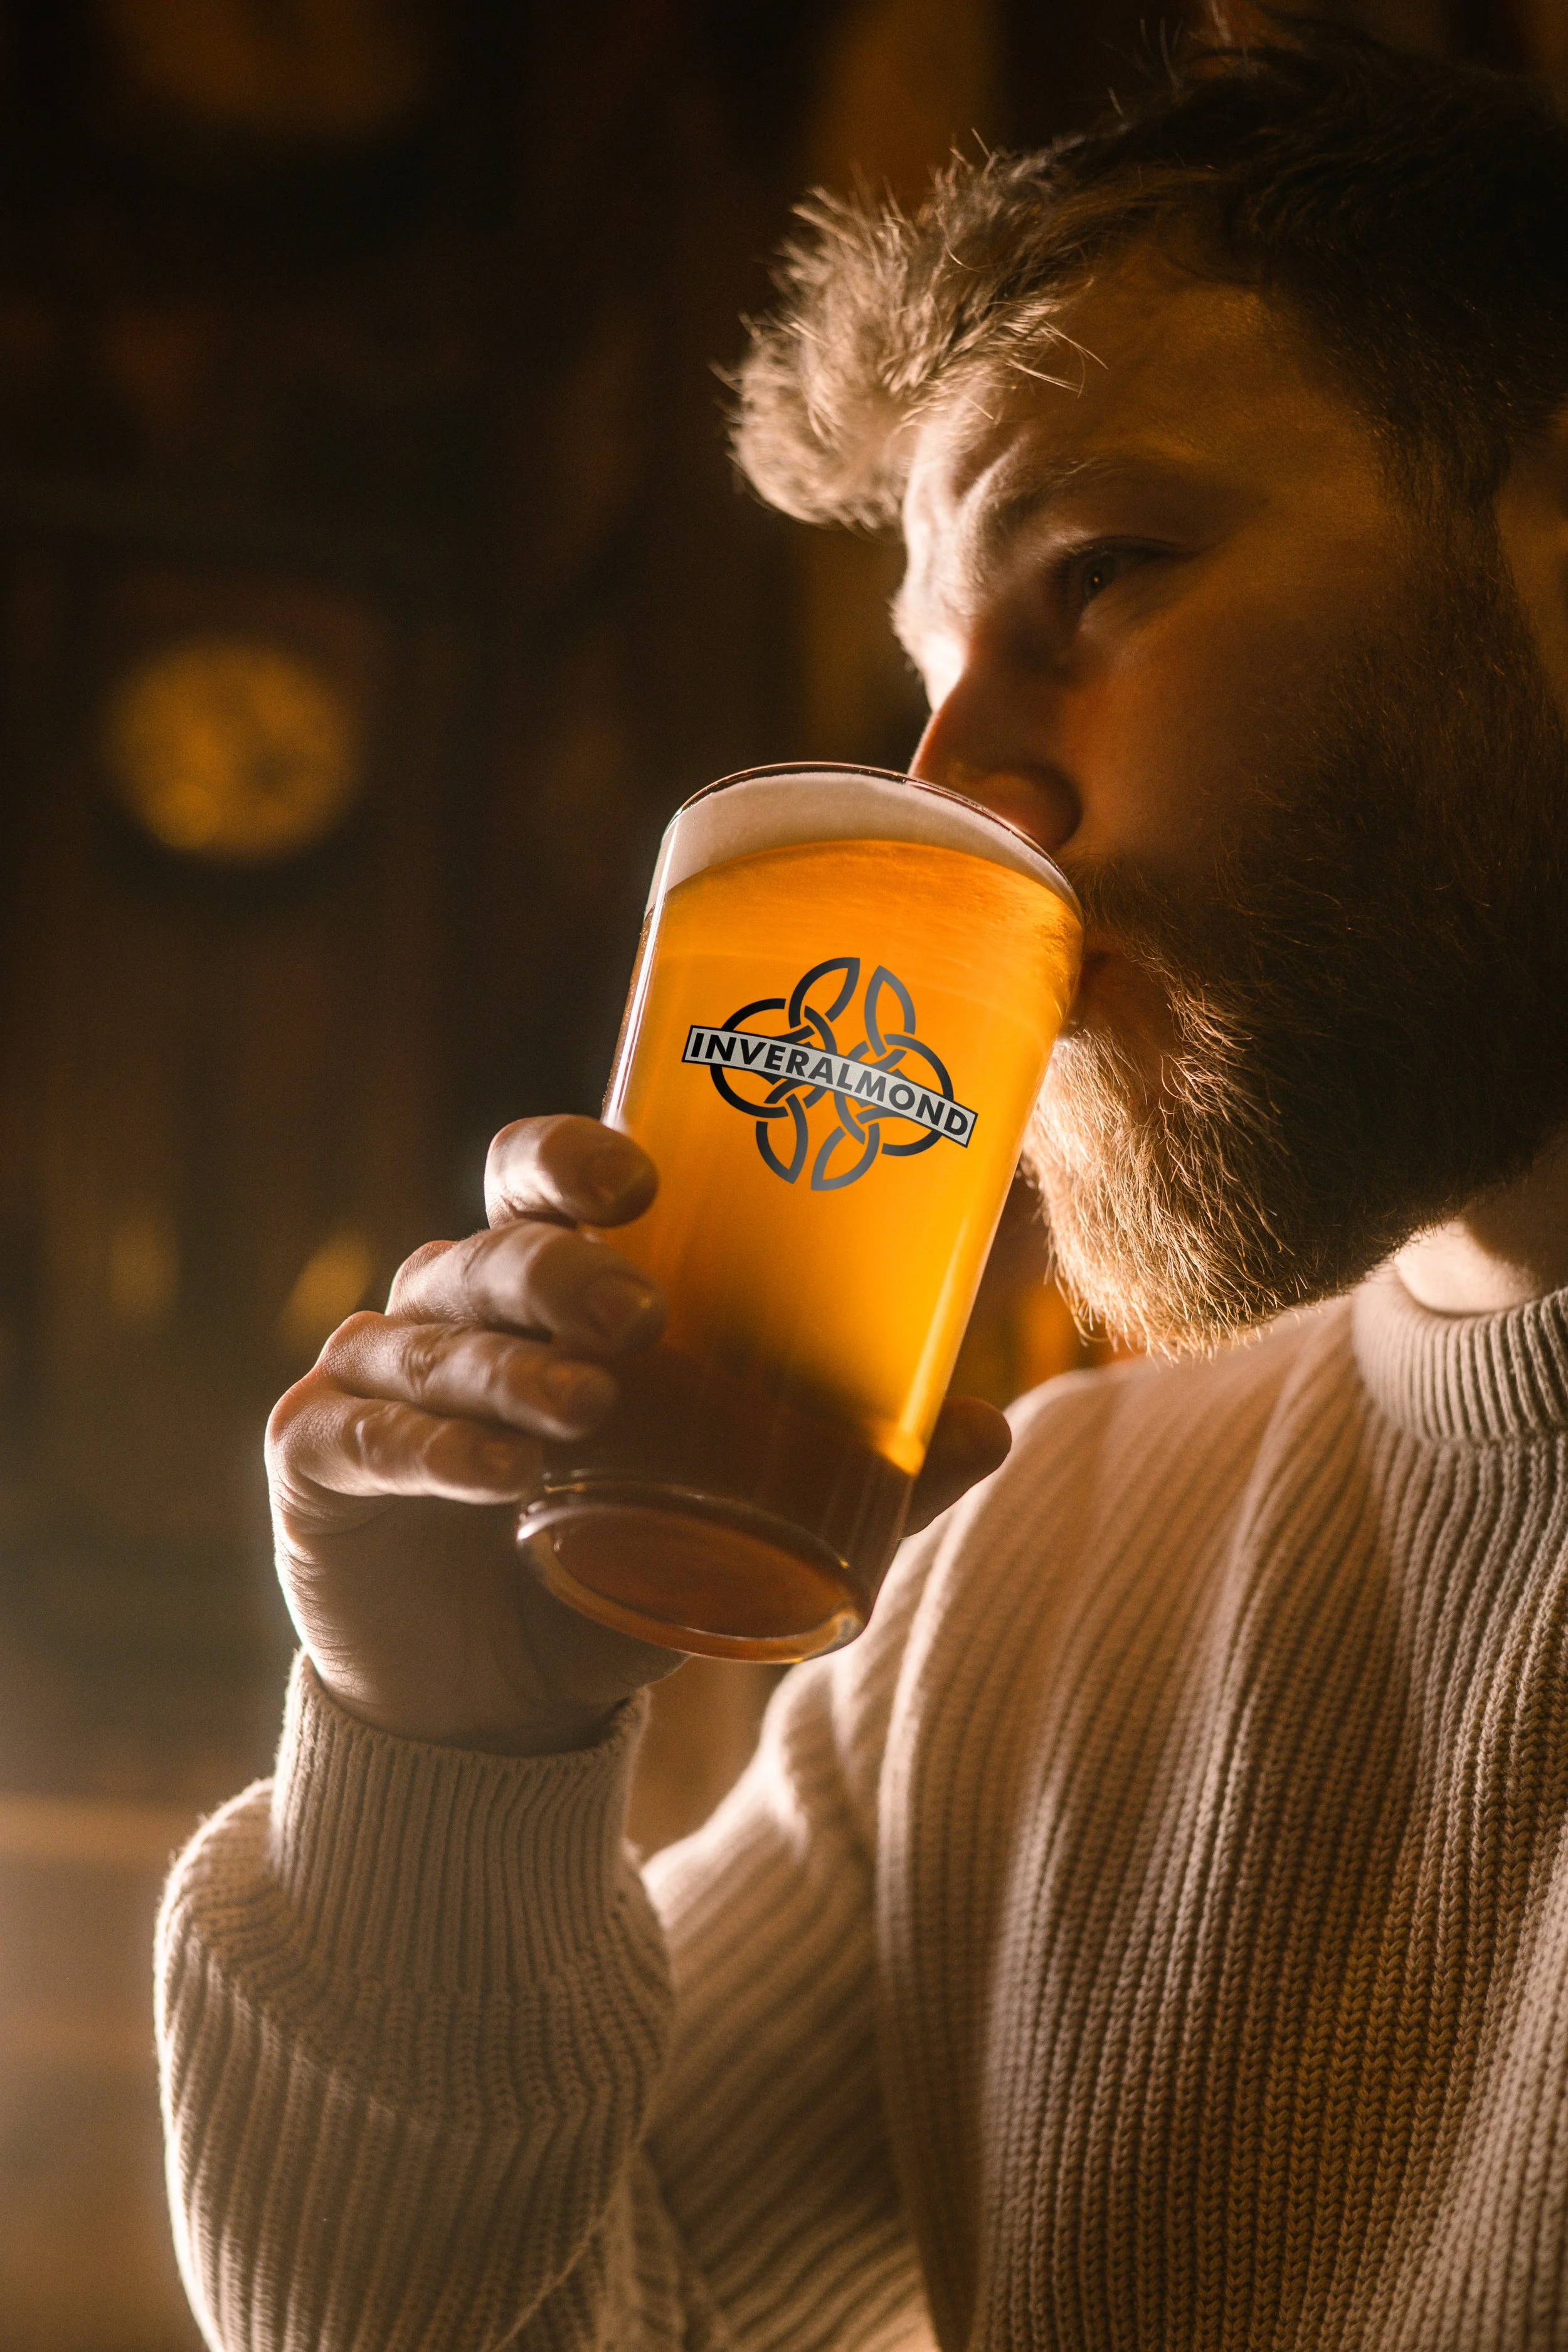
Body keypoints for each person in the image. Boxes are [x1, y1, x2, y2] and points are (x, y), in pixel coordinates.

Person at [156, 19, 1568, 2348]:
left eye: (1095, 577)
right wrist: (442, 1763)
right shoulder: (1037, 1562)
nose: (963, 804)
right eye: (922, 673)